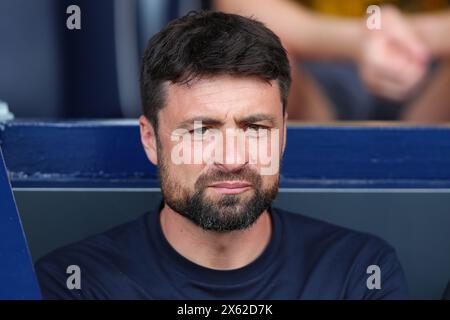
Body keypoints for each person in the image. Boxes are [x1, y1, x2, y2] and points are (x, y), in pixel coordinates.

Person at [35, 11, 408, 299]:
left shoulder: (357, 272)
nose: (231, 159)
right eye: (201, 131)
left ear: (282, 136)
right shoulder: (77, 282)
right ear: (150, 139)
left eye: (256, 129)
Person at [214, 0, 450, 122]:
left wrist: (413, 37)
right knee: (255, 51)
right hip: (311, 78)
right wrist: (359, 38)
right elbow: (239, 6)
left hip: (436, 79)